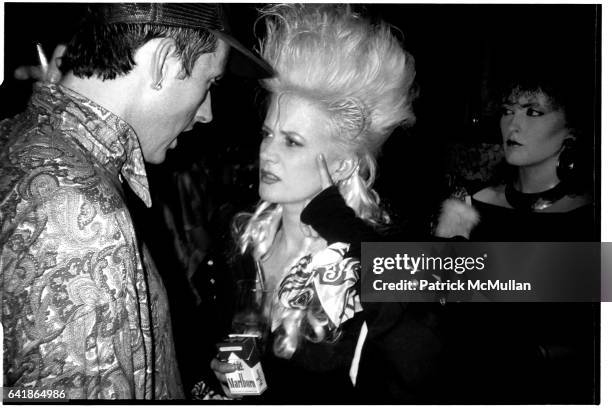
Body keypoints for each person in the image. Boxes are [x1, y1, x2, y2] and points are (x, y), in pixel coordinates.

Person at [0, 3, 272, 399]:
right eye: (209, 82)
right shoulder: (79, 212)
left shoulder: (27, 141)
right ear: (163, 61)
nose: (208, 113)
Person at [205, 4, 438, 403]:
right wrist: (222, 374)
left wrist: (343, 226)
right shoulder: (245, 236)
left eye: (292, 141)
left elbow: (422, 364)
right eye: (267, 134)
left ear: (344, 163)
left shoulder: (367, 257)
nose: (267, 153)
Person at [435, 66, 598, 403]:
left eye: (533, 112)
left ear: (573, 129)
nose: (513, 124)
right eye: (507, 111)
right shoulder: (469, 207)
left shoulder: (591, 220)